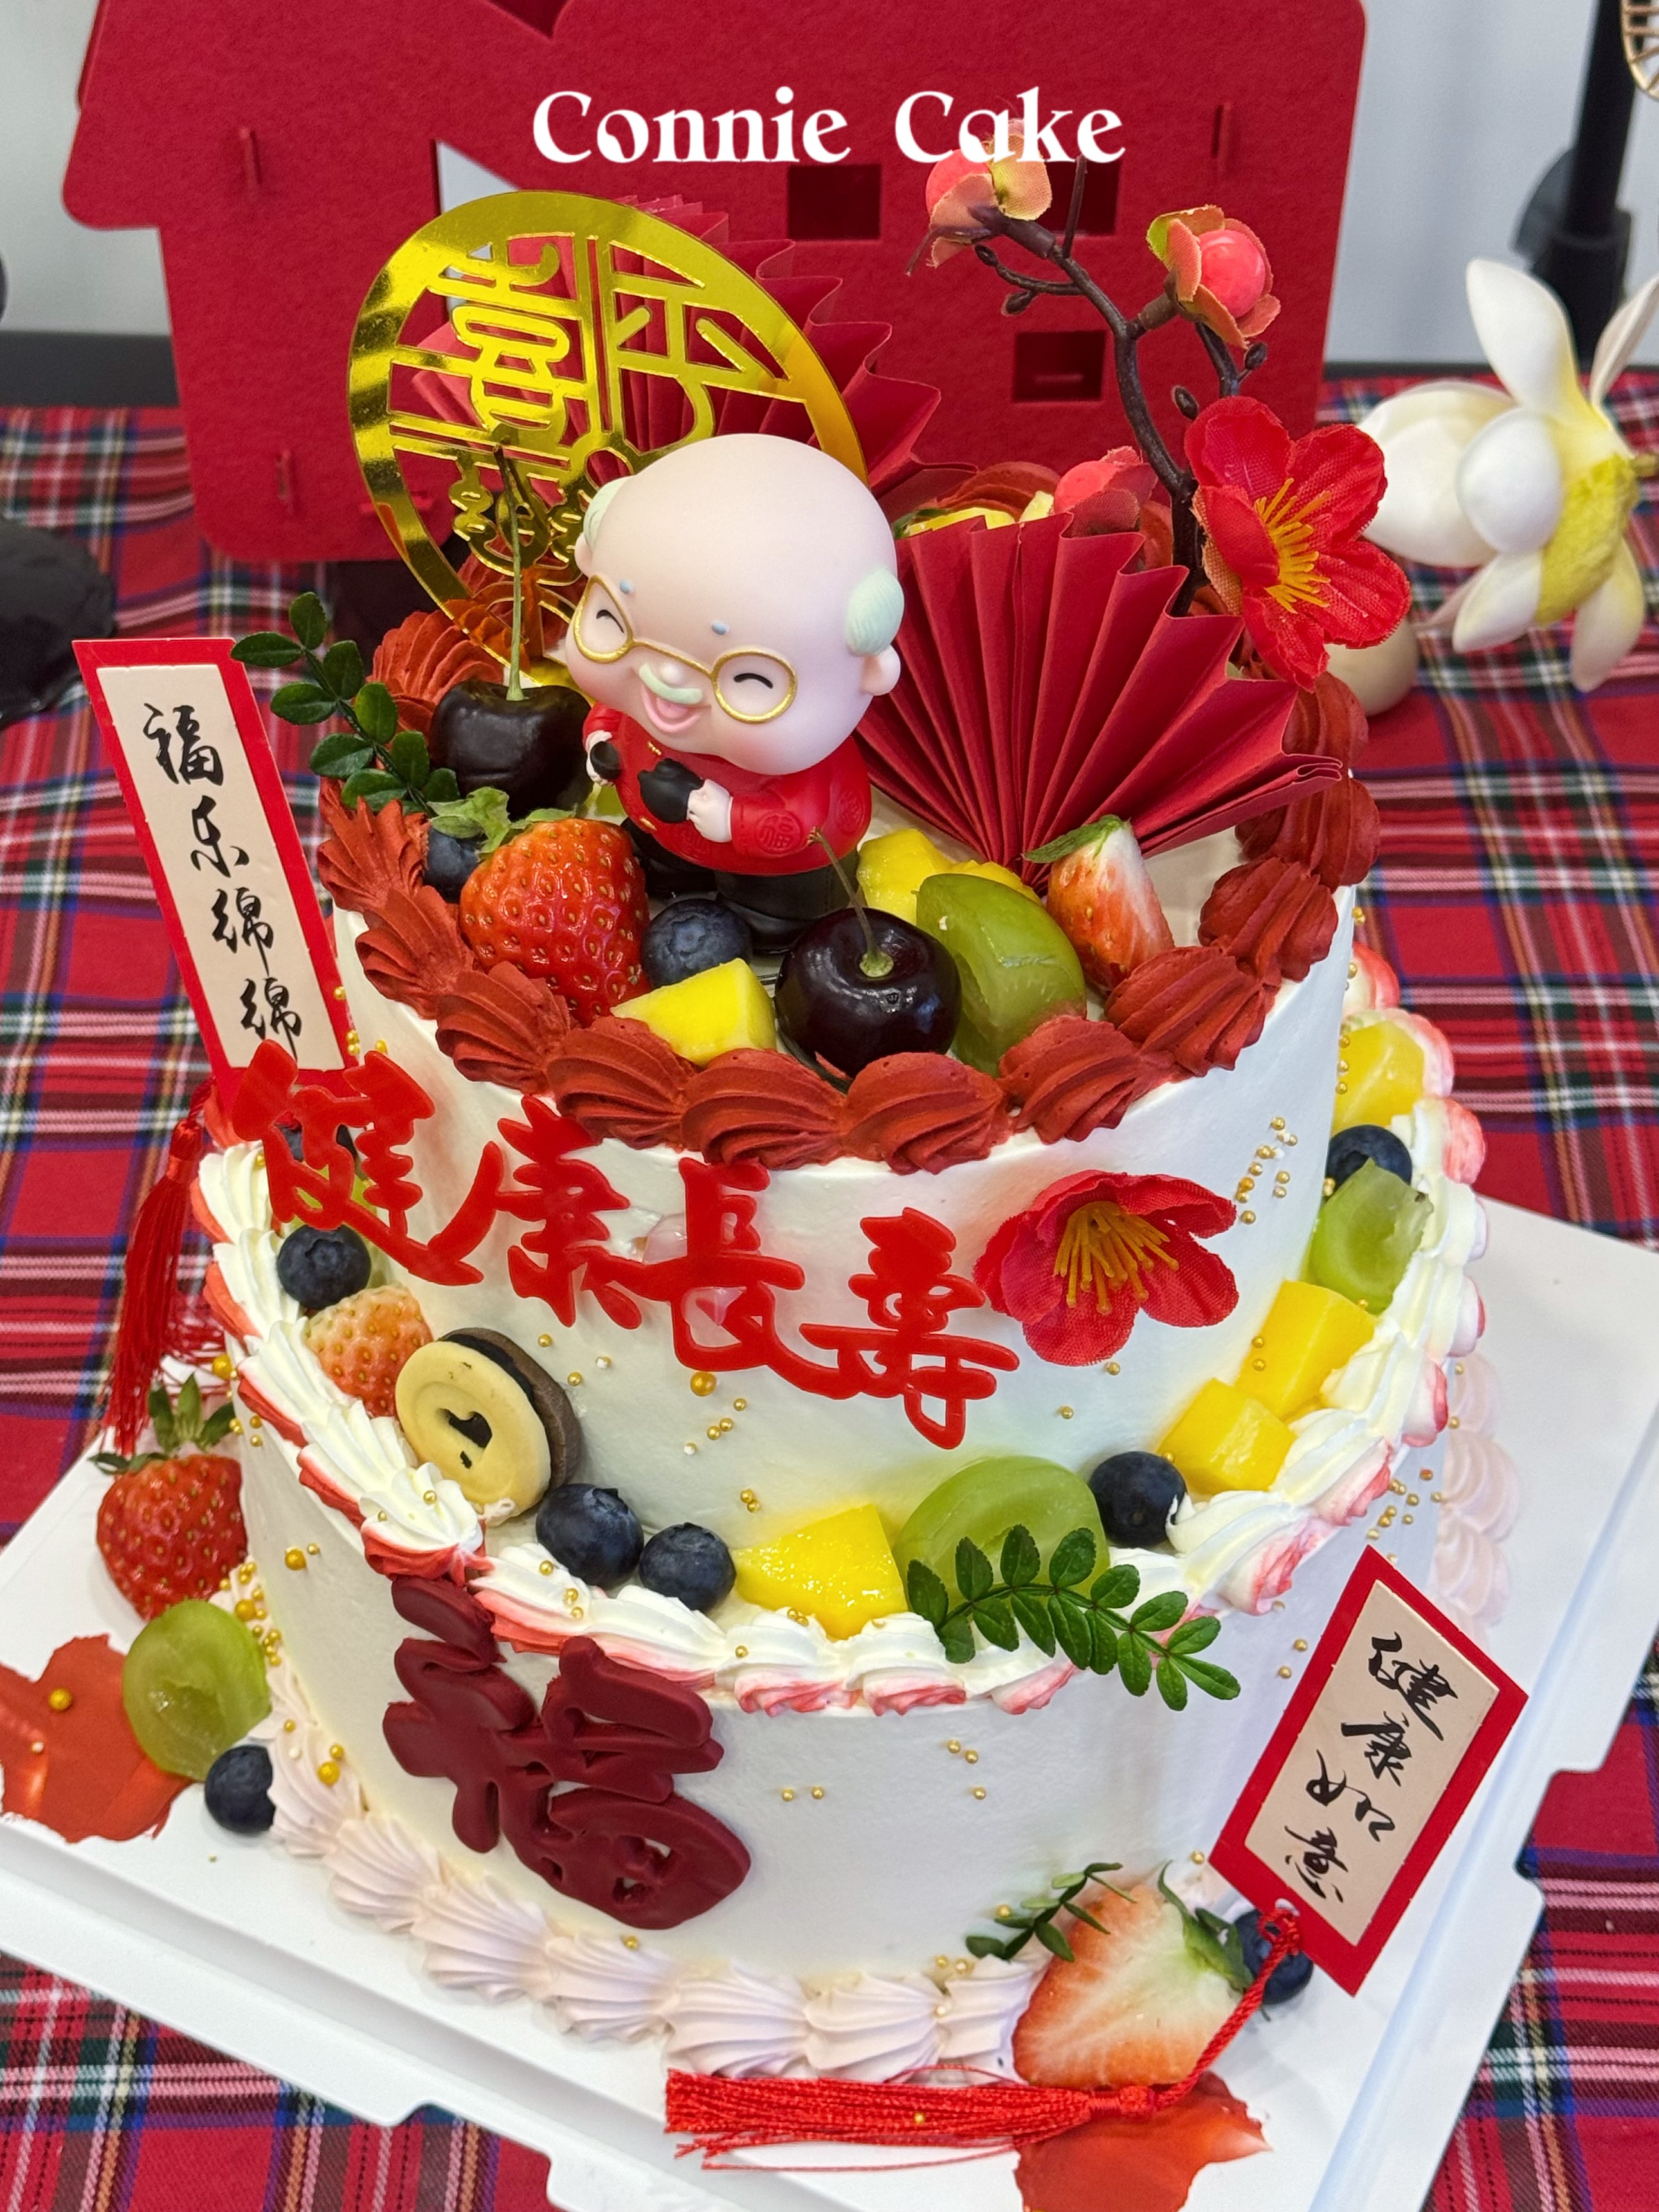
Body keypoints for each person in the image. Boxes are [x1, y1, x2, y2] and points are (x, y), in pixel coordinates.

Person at [561, 433, 903, 944]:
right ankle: (669, 866)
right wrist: (601, 741)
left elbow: (799, 820)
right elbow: (612, 714)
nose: (666, 681)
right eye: (612, 622)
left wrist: (729, 818)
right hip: (658, 828)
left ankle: (772, 915)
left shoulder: (799, 769)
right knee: (650, 862)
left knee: (773, 919)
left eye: (749, 679)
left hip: (778, 869)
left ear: (866, 673)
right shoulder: (641, 701)